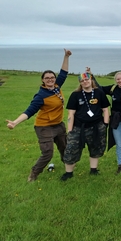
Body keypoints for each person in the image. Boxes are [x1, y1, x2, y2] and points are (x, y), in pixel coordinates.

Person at [6, 49, 72, 182]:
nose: (50, 80)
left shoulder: (57, 87)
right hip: (44, 127)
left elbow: (64, 73)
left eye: (52, 77)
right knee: (48, 153)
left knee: (65, 147)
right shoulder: (41, 96)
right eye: (47, 78)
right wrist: (15, 122)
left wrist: (66, 56)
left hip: (58, 124)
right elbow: (29, 111)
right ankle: (34, 173)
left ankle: (68, 168)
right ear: (43, 80)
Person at [88, 67, 121, 174]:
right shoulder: (112, 89)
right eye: (118, 79)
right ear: (115, 80)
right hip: (117, 121)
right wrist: (91, 75)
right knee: (119, 145)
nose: (120, 81)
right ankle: (120, 166)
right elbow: (99, 88)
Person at [60, 72, 110, 181]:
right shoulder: (75, 95)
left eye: (86, 79)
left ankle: (93, 170)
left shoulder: (99, 93)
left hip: (97, 127)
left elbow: (105, 109)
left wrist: (105, 124)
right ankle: (69, 173)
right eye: (82, 81)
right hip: (78, 128)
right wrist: (70, 130)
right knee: (71, 149)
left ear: (91, 80)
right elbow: (71, 114)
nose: (85, 82)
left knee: (96, 148)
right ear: (80, 82)